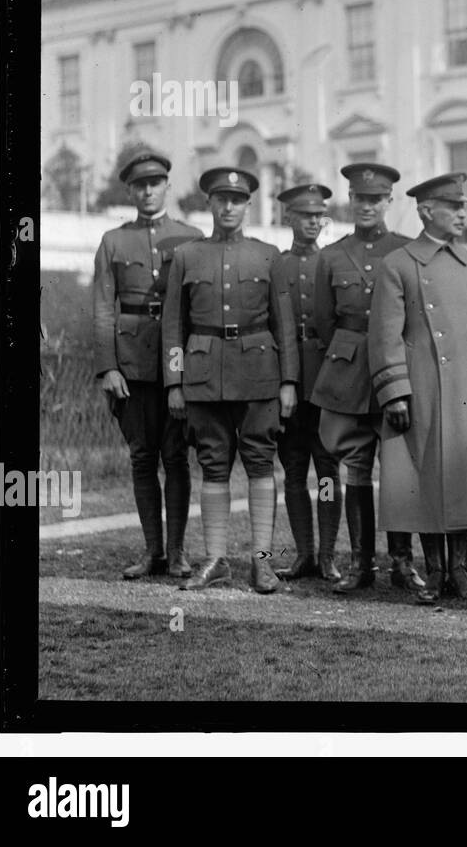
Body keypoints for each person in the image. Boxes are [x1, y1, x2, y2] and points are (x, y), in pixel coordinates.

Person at [369, 172, 467, 604]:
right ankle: (433, 571)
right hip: (422, 387)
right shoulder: (399, 264)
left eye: (464, 206)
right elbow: (385, 335)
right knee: (424, 480)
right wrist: (395, 391)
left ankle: (461, 570)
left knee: (465, 477)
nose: (462, 213)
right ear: (427, 211)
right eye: (453, 207)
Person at [163, 167, 299, 593]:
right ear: (209, 203)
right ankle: (216, 559)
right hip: (203, 375)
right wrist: (173, 381)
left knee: (260, 463)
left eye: (236, 200)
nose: (228, 207)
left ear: (247, 205)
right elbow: (173, 326)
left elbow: (285, 324)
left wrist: (289, 381)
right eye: (220, 199)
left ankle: (262, 563)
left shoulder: (268, 255)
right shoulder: (187, 256)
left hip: (259, 373)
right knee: (213, 465)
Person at [92, 149, 202, 579]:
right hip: (132, 365)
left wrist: (191, 367)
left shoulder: (190, 236)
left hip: (176, 366)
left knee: (175, 457)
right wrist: (108, 367)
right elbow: (102, 309)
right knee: (141, 457)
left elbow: (196, 306)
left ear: (166, 187)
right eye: (139, 185)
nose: (148, 191)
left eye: (154, 183)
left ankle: (177, 553)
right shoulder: (113, 241)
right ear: (131, 190)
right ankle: (151, 551)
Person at [310, 163, 415, 594]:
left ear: (389, 201)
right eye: (360, 198)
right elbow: (322, 321)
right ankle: (361, 565)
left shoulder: (407, 251)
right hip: (349, 376)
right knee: (355, 470)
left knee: (400, 472)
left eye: (376, 199)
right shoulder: (332, 256)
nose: (367, 205)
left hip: (395, 377)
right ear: (349, 200)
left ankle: (403, 564)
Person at [270, 183, 344, 582]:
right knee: (293, 471)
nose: (313, 222)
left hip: (325, 379)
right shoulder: (276, 265)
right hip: (287, 381)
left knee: (328, 470)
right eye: (305, 216)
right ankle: (304, 554)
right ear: (289, 219)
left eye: (319, 215)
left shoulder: (332, 261)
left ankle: (329, 554)